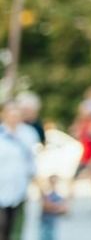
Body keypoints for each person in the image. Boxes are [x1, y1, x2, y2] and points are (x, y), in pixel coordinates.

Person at [0, 100, 38, 240]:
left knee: (17, 226)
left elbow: (32, 160)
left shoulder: (28, 133)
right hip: (1, 185)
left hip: (20, 187)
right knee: (2, 226)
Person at [40, 176, 68, 240]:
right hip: (46, 220)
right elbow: (45, 206)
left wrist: (53, 207)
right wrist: (56, 206)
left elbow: (64, 209)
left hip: (55, 222)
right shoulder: (46, 192)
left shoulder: (60, 193)